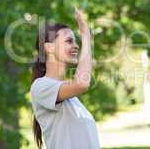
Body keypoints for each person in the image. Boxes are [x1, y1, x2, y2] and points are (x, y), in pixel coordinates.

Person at [30, 8, 100, 149]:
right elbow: (82, 83)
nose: (76, 45)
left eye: (76, 41)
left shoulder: (71, 99)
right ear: (49, 47)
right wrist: (86, 36)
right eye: (69, 41)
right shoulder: (41, 86)